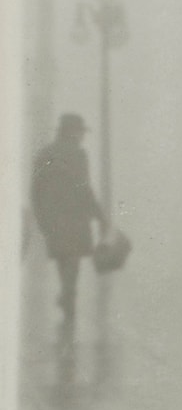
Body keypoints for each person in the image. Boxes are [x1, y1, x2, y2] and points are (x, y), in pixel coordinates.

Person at [30, 113, 108, 323]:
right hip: (75, 217)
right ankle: (68, 296)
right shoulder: (78, 155)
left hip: (52, 218)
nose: (82, 136)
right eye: (81, 132)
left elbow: (35, 190)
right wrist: (100, 216)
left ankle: (67, 295)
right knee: (72, 260)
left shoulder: (44, 154)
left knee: (63, 258)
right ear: (72, 132)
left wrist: (40, 217)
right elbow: (85, 188)